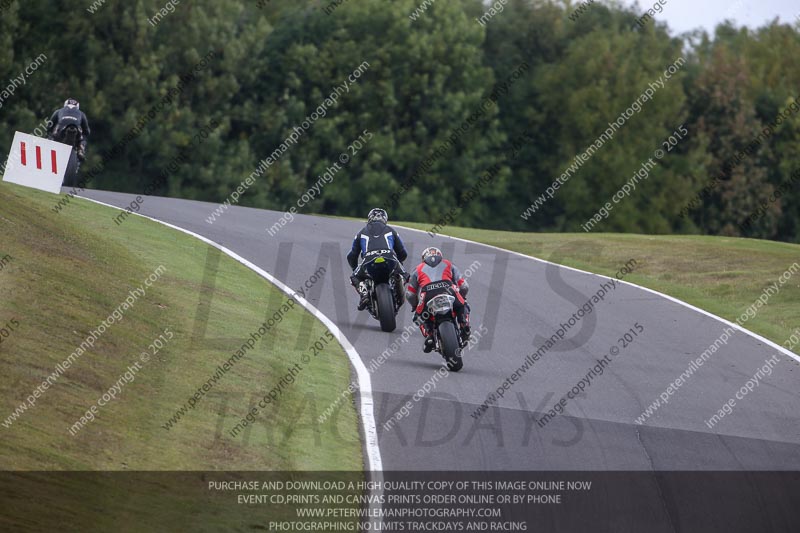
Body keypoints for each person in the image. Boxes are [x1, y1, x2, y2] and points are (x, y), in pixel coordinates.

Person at [406, 247, 471, 353]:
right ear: (440, 256)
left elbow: (410, 294)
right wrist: (462, 297)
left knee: (418, 317)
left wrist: (415, 305)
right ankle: (464, 325)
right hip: (449, 290)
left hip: (427, 294)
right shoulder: (449, 264)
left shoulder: (417, 269)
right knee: (463, 305)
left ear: (423, 258)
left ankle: (430, 335)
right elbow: (464, 286)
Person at [347, 208, 409, 311]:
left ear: (369, 218)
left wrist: (355, 269)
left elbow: (352, 256)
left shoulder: (361, 232)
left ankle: (364, 294)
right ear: (385, 219)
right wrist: (399, 262)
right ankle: (399, 283)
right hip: (390, 259)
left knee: (354, 278)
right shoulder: (391, 230)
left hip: (368, 261)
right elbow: (403, 253)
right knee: (405, 275)